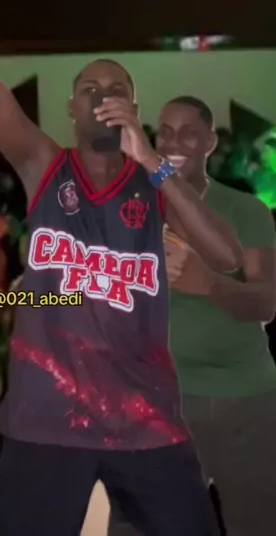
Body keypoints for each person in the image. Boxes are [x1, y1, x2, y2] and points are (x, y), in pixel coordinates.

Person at [0, 0, 243, 536]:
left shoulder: (154, 182)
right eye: (89, 88)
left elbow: (227, 256)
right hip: (48, 423)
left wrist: (151, 160)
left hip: (146, 423)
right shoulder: (44, 165)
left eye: (115, 87)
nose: (101, 94)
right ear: (71, 108)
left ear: (132, 106)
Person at [156, 96, 276, 536]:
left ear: (210, 142)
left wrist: (207, 283)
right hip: (166, 400)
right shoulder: (137, 209)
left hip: (246, 400)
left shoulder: (245, 210)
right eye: (165, 133)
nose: (174, 143)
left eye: (189, 133)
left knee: (255, 524)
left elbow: (266, 303)